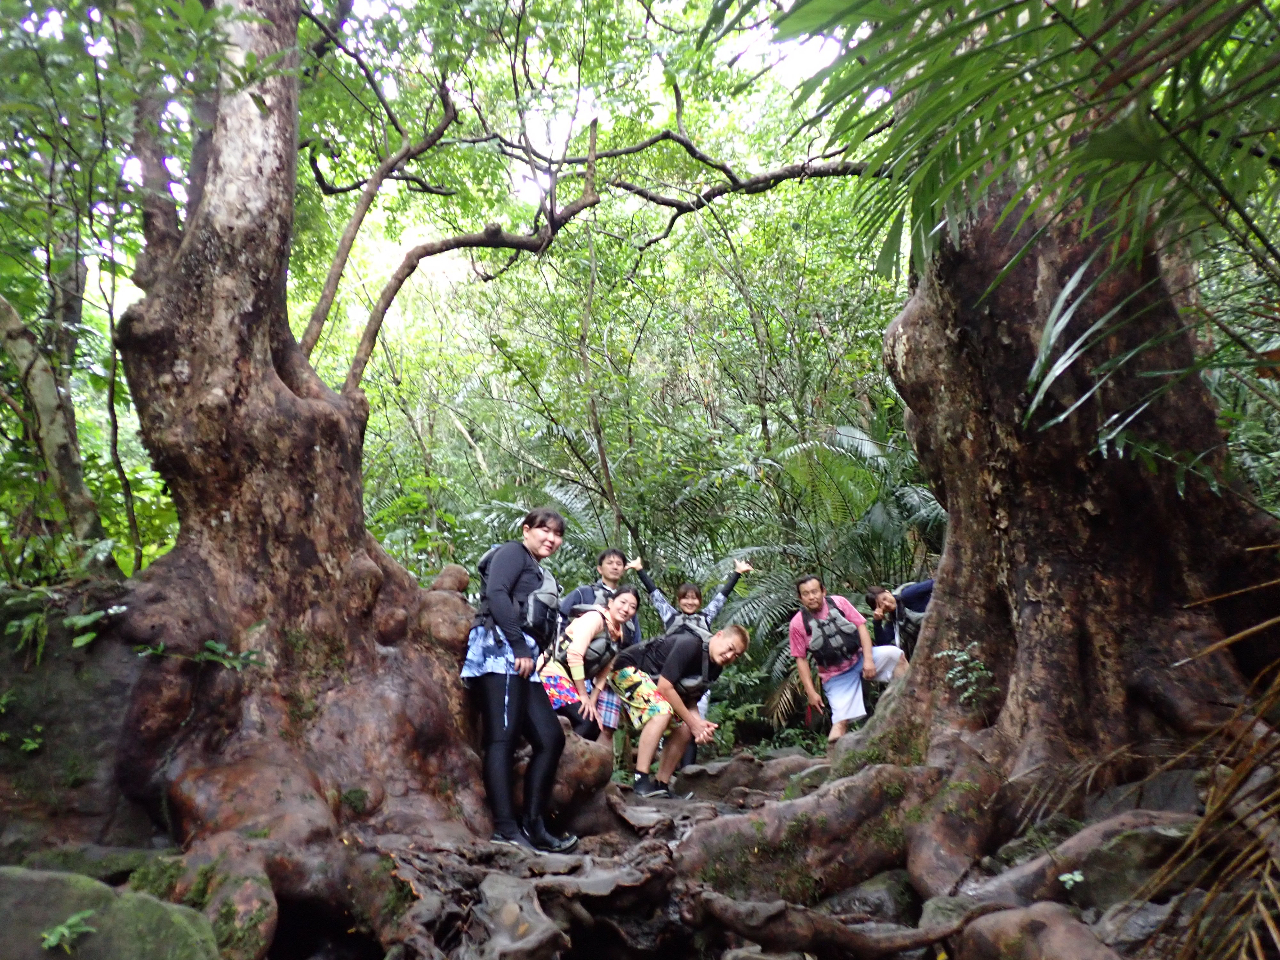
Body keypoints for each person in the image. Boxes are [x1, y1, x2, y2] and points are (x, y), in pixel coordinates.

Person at [460, 507, 575, 853]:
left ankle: (534, 825)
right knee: (503, 738)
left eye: (557, 535)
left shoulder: (538, 569)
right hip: (501, 650)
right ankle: (505, 829)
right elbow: (496, 594)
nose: (551, 539)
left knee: (550, 737)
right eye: (545, 531)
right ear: (527, 530)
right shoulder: (513, 552)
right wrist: (517, 646)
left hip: (523, 657)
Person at [628, 556, 752, 767]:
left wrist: (737, 574)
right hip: (669, 675)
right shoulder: (670, 616)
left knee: (694, 723)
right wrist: (640, 569)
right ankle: (659, 769)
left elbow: (721, 598)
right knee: (664, 721)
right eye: (685, 598)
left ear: (700, 602)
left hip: (695, 681)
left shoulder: (705, 618)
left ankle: (689, 771)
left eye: (694, 598)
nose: (690, 601)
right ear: (679, 600)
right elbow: (654, 594)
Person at [609, 623, 750, 798]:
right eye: (730, 648)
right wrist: (694, 724)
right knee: (662, 712)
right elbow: (665, 688)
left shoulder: (715, 668)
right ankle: (641, 780)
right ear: (719, 635)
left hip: (653, 684)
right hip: (625, 669)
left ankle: (662, 784)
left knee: (684, 729)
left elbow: (691, 699)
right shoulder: (690, 645)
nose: (729, 656)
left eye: (735, 655)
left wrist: (698, 725)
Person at [791, 574, 909, 748]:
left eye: (815, 591)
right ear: (801, 598)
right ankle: (831, 762)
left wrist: (868, 660)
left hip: (859, 658)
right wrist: (811, 692)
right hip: (835, 676)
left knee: (896, 655)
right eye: (806, 593)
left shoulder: (839, 603)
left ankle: (907, 702)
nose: (811, 596)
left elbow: (861, 627)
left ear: (823, 591)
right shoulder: (797, 624)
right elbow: (800, 660)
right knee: (840, 722)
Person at [559, 549, 643, 743]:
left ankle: (598, 767)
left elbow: (635, 643)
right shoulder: (584, 593)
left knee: (605, 724)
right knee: (579, 718)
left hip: (609, 670)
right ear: (599, 568)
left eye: (619, 564)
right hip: (575, 666)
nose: (614, 567)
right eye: (610, 563)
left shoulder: (629, 604)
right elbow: (561, 618)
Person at [538, 586, 640, 741]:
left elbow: (605, 671)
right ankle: (560, 760)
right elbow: (574, 654)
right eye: (623, 602)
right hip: (550, 673)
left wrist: (592, 702)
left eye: (632, 607)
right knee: (585, 721)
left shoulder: (619, 634)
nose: (626, 609)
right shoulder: (595, 618)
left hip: (570, 681)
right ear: (611, 602)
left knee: (593, 724)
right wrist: (584, 696)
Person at [866, 579, 934, 659]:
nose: (887, 604)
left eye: (885, 598)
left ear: (888, 592)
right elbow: (883, 645)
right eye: (881, 606)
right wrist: (877, 622)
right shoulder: (894, 621)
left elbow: (938, 583)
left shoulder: (908, 594)